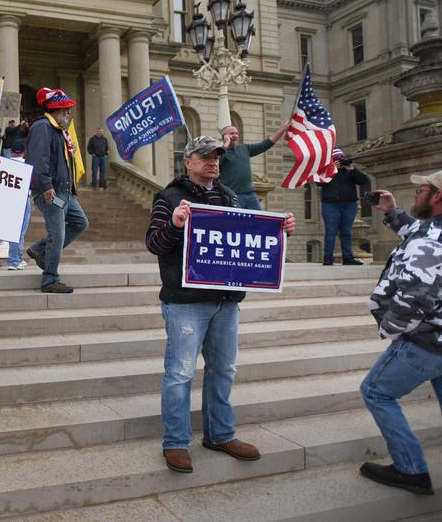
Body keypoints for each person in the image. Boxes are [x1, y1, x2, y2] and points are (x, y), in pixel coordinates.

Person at [146, 134, 295, 474]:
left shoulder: (230, 196)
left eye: (216, 156)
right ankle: (176, 441)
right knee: (180, 373)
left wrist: (281, 231)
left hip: (226, 300)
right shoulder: (169, 197)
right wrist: (174, 224)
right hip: (185, 301)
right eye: (204, 156)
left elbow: (249, 240)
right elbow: (154, 243)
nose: (213, 161)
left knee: (224, 369)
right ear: (188, 162)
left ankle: (220, 434)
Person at [358, 170, 442, 515]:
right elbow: (421, 235)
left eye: (421, 189)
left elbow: (415, 298)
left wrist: (391, 329)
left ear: (436, 196)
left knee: (376, 391)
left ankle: (411, 470)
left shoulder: (434, 241)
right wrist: (392, 212)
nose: (416, 193)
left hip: (427, 345)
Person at [24, 87, 88, 294]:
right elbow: (37, 159)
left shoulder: (58, 131)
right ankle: (50, 279)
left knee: (79, 223)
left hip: (65, 193)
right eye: (65, 111)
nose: (68, 114)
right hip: (51, 192)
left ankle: (39, 250)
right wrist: (45, 186)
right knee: (57, 234)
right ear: (55, 111)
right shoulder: (42, 127)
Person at [218, 122, 289, 210]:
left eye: (236, 133)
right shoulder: (220, 152)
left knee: (258, 221)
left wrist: (282, 129)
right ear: (224, 136)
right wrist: (226, 144)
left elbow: (265, 144)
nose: (235, 135)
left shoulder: (245, 148)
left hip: (251, 195)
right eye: (232, 133)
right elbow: (217, 162)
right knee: (236, 222)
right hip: (233, 196)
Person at [317, 148, 370, 265]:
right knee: (331, 231)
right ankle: (328, 258)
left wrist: (351, 169)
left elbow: (363, 181)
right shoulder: (327, 171)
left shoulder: (349, 171)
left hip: (349, 205)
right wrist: (332, 169)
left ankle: (348, 258)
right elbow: (318, 182)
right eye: (337, 160)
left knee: (346, 231)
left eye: (342, 159)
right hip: (330, 205)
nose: (341, 162)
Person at [6, 139, 31, 270]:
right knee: (20, 231)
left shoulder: (5, 164)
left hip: (8, 199)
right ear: (24, 152)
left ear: (11, 151)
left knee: (13, 231)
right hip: (23, 199)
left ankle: (16, 258)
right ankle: (14, 260)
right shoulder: (28, 166)